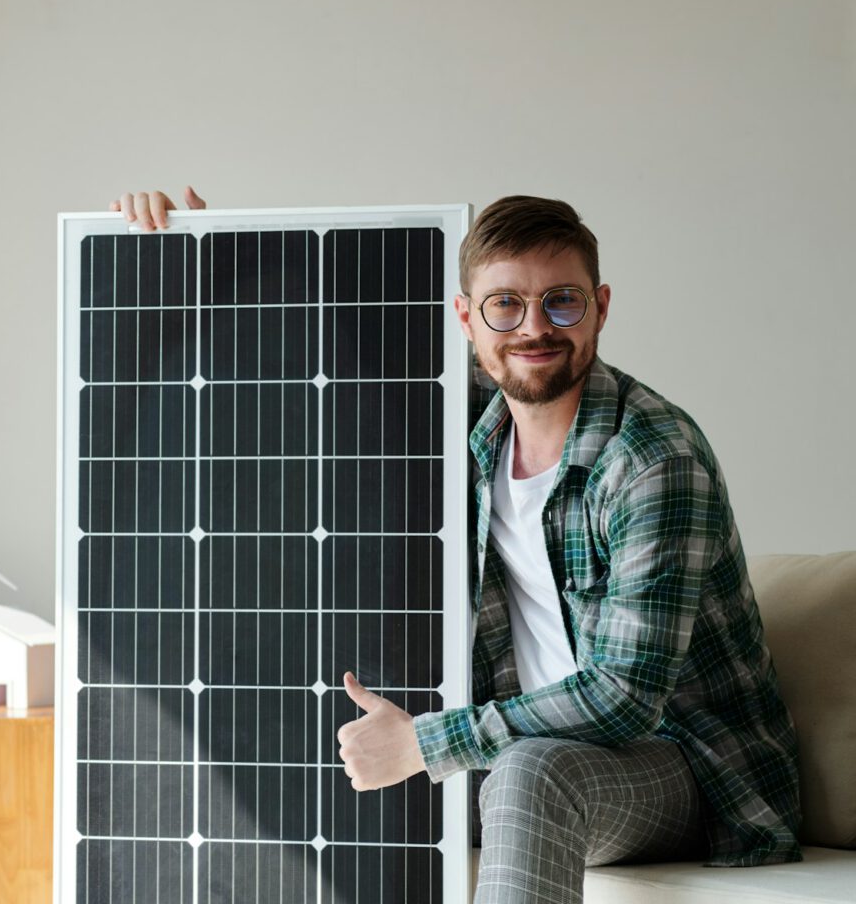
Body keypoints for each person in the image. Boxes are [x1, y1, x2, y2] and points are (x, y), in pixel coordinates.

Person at [113, 190, 801, 904]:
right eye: (505, 304)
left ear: (599, 307)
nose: (534, 328)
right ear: (466, 318)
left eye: (561, 301)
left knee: (528, 770)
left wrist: (426, 742)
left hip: (684, 769)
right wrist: (204, 247)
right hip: (521, 749)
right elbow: (313, 371)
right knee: (318, 753)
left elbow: (622, 698)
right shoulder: (465, 419)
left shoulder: (653, 460)